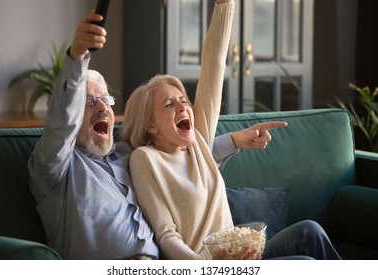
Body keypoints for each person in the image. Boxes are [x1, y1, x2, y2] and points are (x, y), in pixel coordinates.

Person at [27, 8, 278, 260]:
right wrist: (78, 55)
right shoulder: (56, 170)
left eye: (106, 100)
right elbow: (61, 124)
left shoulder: (125, 154)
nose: (103, 107)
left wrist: (234, 140)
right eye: (89, 101)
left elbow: (179, 159)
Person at [121, 0, 342, 260]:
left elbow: (214, 63)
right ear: (150, 124)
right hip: (208, 266)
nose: (183, 107)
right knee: (304, 263)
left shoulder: (198, 143)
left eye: (184, 101)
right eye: (169, 105)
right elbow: (166, 235)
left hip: (241, 254)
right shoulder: (145, 159)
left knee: (310, 231)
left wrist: (225, 5)